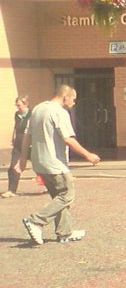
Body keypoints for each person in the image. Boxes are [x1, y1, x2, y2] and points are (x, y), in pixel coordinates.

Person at [14, 85, 100, 245]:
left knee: (58, 197)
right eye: (73, 99)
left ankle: (64, 232)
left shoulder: (38, 109)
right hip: (55, 163)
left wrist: (23, 159)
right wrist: (88, 155)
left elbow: (27, 136)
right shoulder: (59, 112)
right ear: (65, 96)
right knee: (67, 195)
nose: (74, 103)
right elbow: (68, 138)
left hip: (39, 163)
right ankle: (36, 220)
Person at [2, 95, 30, 198]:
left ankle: (50, 187)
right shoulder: (17, 114)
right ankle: (11, 190)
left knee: (41, 166)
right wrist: (13, 138)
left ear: (26, 104)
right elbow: (16, 127)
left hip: (29, 144)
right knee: (13, 167)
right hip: (18, 143)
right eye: (16, 105)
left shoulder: (32, 114)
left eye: (19, 105)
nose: (18, 107)